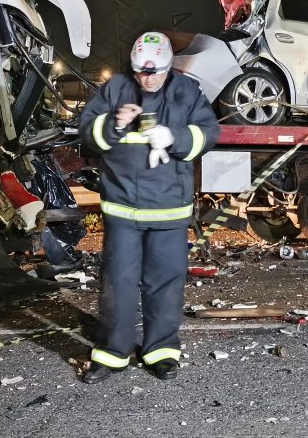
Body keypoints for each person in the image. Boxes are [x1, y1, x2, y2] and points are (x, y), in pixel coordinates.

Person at [78, 32, 220, 383]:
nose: (148, 78)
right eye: (142, 72)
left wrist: (176, 137)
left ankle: (161, 350)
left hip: (168, 211)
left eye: (154, 72)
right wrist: (113, 124)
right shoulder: (116, 89)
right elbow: (86, 131)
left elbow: (209, 132)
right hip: (123, 209)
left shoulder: (186, 91)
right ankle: (113, 353)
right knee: (119, 284)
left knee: (164, 284)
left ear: (169, 67)